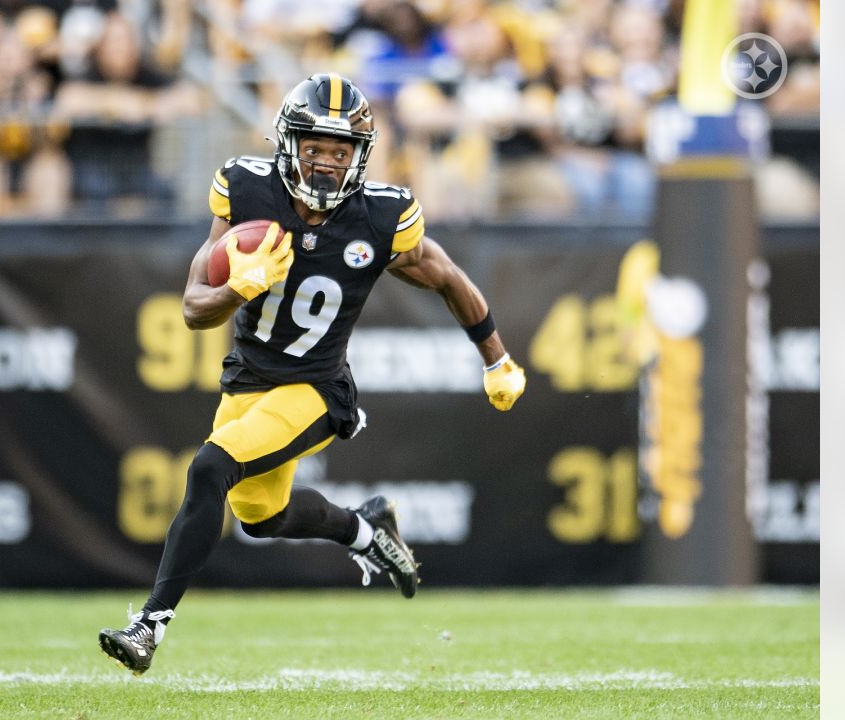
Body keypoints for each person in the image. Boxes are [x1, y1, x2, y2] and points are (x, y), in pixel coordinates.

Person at [98, 73, 526, 675]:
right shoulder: (246, 191)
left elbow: (448, 277)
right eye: (316, 148)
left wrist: (497, 359)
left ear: (360, 155)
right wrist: (235, 289)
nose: (327, 163)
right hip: (247, 380)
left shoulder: (381, 217)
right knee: (261, 517)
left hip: (317, 389)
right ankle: (365, 530)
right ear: (289, 144)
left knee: (210, 467)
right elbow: (195, 307)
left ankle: (148, 626)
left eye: (340, 151)